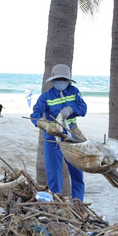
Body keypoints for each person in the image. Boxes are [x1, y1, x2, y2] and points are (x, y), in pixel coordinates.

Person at [31, 64, 88, 201]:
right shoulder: (46, 97)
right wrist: (43, 124)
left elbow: (83, 108)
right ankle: (56, 202)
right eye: (58, 79)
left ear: (68, 80)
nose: (61, 82)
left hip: (72, 135)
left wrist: (70, 110)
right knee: (54, 174)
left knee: (77, 174)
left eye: (64, 79)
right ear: (53, 80)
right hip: (52, 136)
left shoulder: (74, 92)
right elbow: (35, 114)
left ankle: (78, 203)